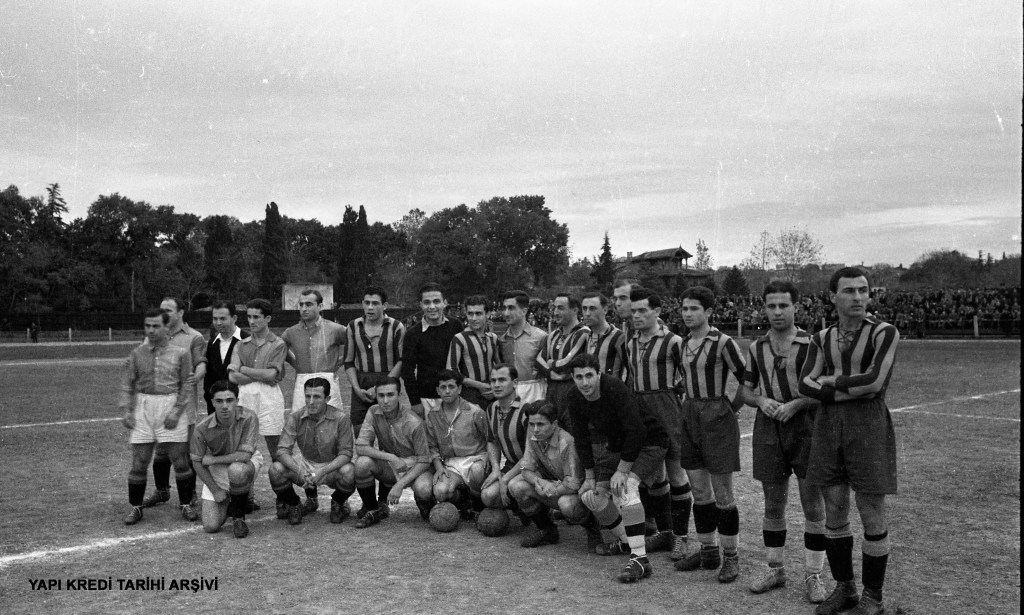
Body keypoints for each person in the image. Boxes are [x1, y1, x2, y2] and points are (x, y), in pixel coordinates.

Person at [799, 267, 900, 615]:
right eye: (849, 291)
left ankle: (874, 598)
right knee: (835, 505)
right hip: (829, 424)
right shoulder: (820, 338)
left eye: (863, 290)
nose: (858, 297)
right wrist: (843, 390)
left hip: (867, 424)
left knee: (870, 508)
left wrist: (832, 382)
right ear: (832, 296)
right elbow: (805, 383)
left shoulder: (884, 332)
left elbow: (874, 383)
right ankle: (845, 588)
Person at [738, 281, 828, 604]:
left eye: (783, 306)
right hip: (769, 427)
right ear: (764, 308)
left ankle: (813, 574)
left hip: (806, 426)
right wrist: (761, 401)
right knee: (773, 502)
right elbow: (745, 391)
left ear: (795, 307)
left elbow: (825, 391)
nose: (777, 312)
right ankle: (775, 569)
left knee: (812, 502)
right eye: (771, 306)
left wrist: (799, 403)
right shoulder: (757, 347)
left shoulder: (813, 344)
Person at [567, 353, 671, 583]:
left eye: (589, 376)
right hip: (619, 446)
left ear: (598, 374)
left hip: (649, 441)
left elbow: (637, 430)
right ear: (573, 378)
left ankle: (640, 559)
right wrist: (589, 475)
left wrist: (623, 471)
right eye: (579, 377)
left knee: (625, 488)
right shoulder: (574, 396)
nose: (585, 382)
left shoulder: (614, 388)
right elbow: (581, 437)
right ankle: (627, 542)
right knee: (590, 496)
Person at [671, 286, 747, 584]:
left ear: (709, 312)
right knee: (700, 491)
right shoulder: (683, 343)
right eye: (684, 309)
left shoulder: (724, 342)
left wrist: (731, 408)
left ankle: (731, 557)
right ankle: (708, 550)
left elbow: (747, 380)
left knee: (723, 493)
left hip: (717, 416)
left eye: (694, 309)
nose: (688, 314)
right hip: (690, 415)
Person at [624, 287, 695, 560]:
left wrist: (678, 400)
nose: (637, 316)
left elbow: (687, 378)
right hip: (641, 410)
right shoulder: (631, 342)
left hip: (667, 410)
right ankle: (665, 532)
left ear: (657, 311)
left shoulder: (673, 341)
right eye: (633, 311)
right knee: (653, 476)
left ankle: (681, 537)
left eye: (643, 310)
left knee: (676, 473)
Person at [119, 308, 196, 525]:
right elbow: (128, 383)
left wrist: (176, 412)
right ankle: (135, 507)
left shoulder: (181, 353)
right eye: (148, 326)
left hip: (170, 404)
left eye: (156, 326)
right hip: (144, 407)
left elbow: (186, 384)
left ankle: (186, 503)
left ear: (166, 328)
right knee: (139, 462)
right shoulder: (137, 353)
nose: (151, 330)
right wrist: (127, 410)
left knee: (180, 460)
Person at [140, 297, 205, 516]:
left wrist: (193, 379)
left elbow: (201, 364)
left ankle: (189, 494)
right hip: (158, 404)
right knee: (160, 450)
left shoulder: (194, 337)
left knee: (183, 452)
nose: (163, 313)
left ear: (181, 313)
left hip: (183, 405)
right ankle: (162, 491)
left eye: (168, 309)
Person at [269, 377, 356, 525]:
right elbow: (282, 450)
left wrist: (322, 471)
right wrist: (299, 471)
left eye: (316, 397)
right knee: (275, 469)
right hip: (306, 463)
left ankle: (338, 502)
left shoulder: (341, 418)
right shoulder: (295, 417)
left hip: (331, 466)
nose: (311, 402)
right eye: (307, 396)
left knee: (350, 472)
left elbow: (346, 453)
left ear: (327, 399)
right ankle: (294, 503)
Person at [508, 400, 594, 548]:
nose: (535, 429)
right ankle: (546, 529)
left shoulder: (567, 442)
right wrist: (539, 482)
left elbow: (573, 485)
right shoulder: (533, 435)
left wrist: (551, 489)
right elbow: (526, 469)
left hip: (579, 492)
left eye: (540, 424)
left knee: (566, 504)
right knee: (516, 485)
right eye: (531, 424)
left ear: (554, 424)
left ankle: (593, 529)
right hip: (554, 485)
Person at [228, 298, 287, 507]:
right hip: (245, 396)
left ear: (267, 318)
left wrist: (244, 369)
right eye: (249, 317)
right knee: (244, 447)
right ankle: (246, 497)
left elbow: (272, 375)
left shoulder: (278, 343)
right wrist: (260, 374)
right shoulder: (240, 344)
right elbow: (233, 377)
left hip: (270, 397)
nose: (251, 321)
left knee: (276, 449)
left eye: (256, 317)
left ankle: (283, 497)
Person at [352, 378, 433, 528]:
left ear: (399, 395)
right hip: (392, 465)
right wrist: (391, 457)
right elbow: (361, 447)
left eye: (390, 395)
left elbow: (424, 461)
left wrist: (399, 485)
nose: (385, 401)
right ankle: (372, 510)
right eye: (381, 395)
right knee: (362, 463)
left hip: (416, 468)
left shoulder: (414, 421)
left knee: (424, 489)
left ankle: (424, 501)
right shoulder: (373, 411)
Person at [191, 380, 262, 538]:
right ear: (212, 402)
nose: (225, 406)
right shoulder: (201, 428)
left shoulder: (249, 417)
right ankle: (238, 496)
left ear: (237, 400)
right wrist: (215, 490)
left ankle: (238, 516)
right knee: (211, 526)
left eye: (229, 400)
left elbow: (244, 455)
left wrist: (213, 460)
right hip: (219, 468)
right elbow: (197, 462)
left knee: (236, 470)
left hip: (244, 463)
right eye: (219, 401)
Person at [416, 370, 489, 518]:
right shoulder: (433, 415)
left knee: (477, 472)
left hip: (476, 460)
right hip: (451, 463)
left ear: (459, 389)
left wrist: (489, 463)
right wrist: (439, 467)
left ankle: (477, 503)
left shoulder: (475, 411)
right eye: (443, 387)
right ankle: (462, 500)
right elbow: (432, 446)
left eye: (451, 386)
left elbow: (490, 440)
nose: (447, 391)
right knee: (440, 492)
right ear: (438, 390)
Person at [343, 286, 405, 436]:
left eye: (375, 303)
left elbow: (402, 360)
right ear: (362, 304)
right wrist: (357, 389)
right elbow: (348, 361)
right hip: (362, 384)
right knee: (360, 431)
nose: (370, 307)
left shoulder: (396, 327)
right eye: (367, 303)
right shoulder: (353, 326)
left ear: (385, 305)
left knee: (391, 433)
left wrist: (380, 387)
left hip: (388, 380)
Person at [401, 282, 463, 418]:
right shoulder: (412, 334)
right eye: (427, 302)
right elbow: (407, 371)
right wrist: (415, 402)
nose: (432, 306)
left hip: (455, 397)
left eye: (436, 301)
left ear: (444, 303)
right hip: (427, 400)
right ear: (421, 305)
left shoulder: (456, 326)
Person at [282, 288, 346, 411]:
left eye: (309, 304)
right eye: (301, 305)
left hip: (328, 381)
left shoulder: (335, 329)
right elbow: (280, 348)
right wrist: (295, 363)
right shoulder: (291, 332)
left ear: (320, 306)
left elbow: (354, 344)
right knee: (301, 419)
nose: (304, 308)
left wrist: (339, 363)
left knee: (330, 419)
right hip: (302, 382)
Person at [480, 364, 529, 518]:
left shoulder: (527, 410)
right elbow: (492, 441)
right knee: (488, 495)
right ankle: (518, 508)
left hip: (533, 467)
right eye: (493, 380)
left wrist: (505, 479)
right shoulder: (491, 409)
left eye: (502, 380)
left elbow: (530, 456)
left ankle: (543, 521)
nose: (496, 385)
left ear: (514, 383)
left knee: (515, 487)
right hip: (512, 465)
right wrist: (496, 469)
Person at [536, 293, 590, 427]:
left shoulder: (583, 333)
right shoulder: (553, 334)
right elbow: (538, 361)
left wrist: (551, 363)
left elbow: (568, 363)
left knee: (572, 432)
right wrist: (551, 374)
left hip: (573, 391)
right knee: (551, 430)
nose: (555, 312)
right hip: (552, 391)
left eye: (560, 308)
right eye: (554, 308)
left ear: (575, 310)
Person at [446, 295, 502, 409]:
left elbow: (500, 367)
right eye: (470, 314)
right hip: (470, 395)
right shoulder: (459, 338)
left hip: (492, 392)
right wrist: (480, 385)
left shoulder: (493, 338)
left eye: (478, 313)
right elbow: (451, 370)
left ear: (487, 314)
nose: (474, 318)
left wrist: (494, 386)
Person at [497, 290, 548, 404]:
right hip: (509, 396)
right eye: (504, 308)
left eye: (511, 308)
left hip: (535, 396)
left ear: (524, 311)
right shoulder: (502, 340)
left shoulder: (541, 337)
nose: (506, 313)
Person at [204, 301, 248, 415]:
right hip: (217, 409)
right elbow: (208, 379)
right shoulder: (212, 343)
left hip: (242, 405)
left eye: (223, 318)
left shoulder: (248, 340)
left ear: (234, 318)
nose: (218, 323)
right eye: (215, 319)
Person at [581, 292, 626, 378]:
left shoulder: (619, 336)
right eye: (584, 308)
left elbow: (628, 370)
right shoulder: (587, 336)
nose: (587, 313)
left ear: (605, 310)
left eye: (592, 308)